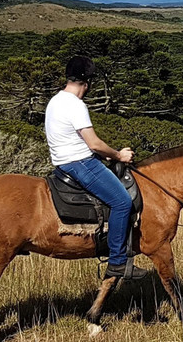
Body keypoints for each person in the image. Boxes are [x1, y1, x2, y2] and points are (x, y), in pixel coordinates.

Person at [45, 56, 149, 279]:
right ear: (87, 82)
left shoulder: (55, 100)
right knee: (122, 202)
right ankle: (118, 262)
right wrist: (119, 155)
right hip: (81, 163)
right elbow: (93, 143)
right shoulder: (76, 105)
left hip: (62, 163)